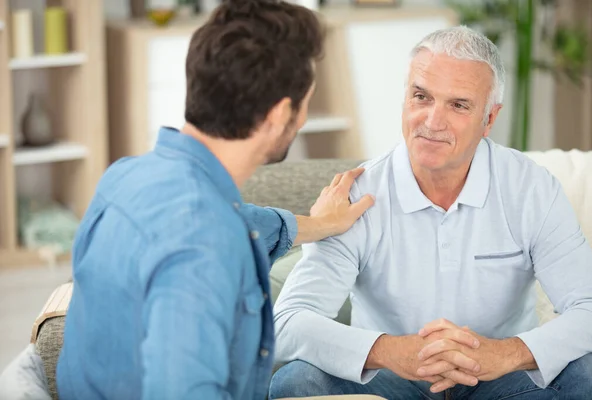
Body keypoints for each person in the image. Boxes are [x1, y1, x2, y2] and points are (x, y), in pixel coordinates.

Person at [55, 1, 375, 399]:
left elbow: (243, 223)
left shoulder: (127, 176)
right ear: (279, 115)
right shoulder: (204, 241)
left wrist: (320, 224)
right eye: (307, 101)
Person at [269, 26, 592, 400]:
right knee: (295, 381)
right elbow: (288, 323)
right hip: (389, 377)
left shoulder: (532, 188)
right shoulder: (357, 195)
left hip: (500, 379)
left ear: (489, 119)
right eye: (421, 97)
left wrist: (504, 354)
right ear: (405, 100)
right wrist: (391, 351)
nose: (432, 121)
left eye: (458, 105)